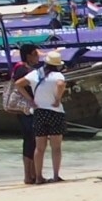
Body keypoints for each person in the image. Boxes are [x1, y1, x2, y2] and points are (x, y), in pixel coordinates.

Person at [2, 44, 41, 185]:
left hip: (29, 109)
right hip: (25, 109)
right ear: (29, 55)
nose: (38, 56)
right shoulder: (22, 68)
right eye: (36, 53)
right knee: (31, 139)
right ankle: (29, 175)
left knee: (32, 140)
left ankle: (33, 174)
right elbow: (19, 84)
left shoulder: (28, 68)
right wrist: (30, 99)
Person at [31, 48, 70, 183]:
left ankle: (38, 177)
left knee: (39, 148)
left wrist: (30, 100)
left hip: (39, 112)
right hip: (55, 112)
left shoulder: (35, 74)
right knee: (56, 147)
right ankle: (55, 176)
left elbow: (18, 84)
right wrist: (57, 99)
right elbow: (60, 84)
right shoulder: (58, 76)